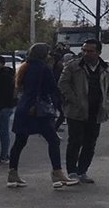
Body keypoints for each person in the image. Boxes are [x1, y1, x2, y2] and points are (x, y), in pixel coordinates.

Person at [7, 43, 76, 189]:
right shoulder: (43, 68)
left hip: (24, 108)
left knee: (20, 142)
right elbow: (51, 88)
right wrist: (62, 103)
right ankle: (57, 172)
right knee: (53, 140)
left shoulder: (25, 67)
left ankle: (12, 174)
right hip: (39, 111)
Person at [58, 39, 109, 184]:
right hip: (76, 111)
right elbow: (63, 83)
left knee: (90, 143)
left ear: (98, 52)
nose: (86, 53)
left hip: (96, 111)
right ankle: (72, 171)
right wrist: (74, 100)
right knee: (75, 141)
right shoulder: (73, 66)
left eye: (90, 51)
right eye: (84, 50)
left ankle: (82, 170)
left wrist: (107, 102)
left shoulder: (107, 68)